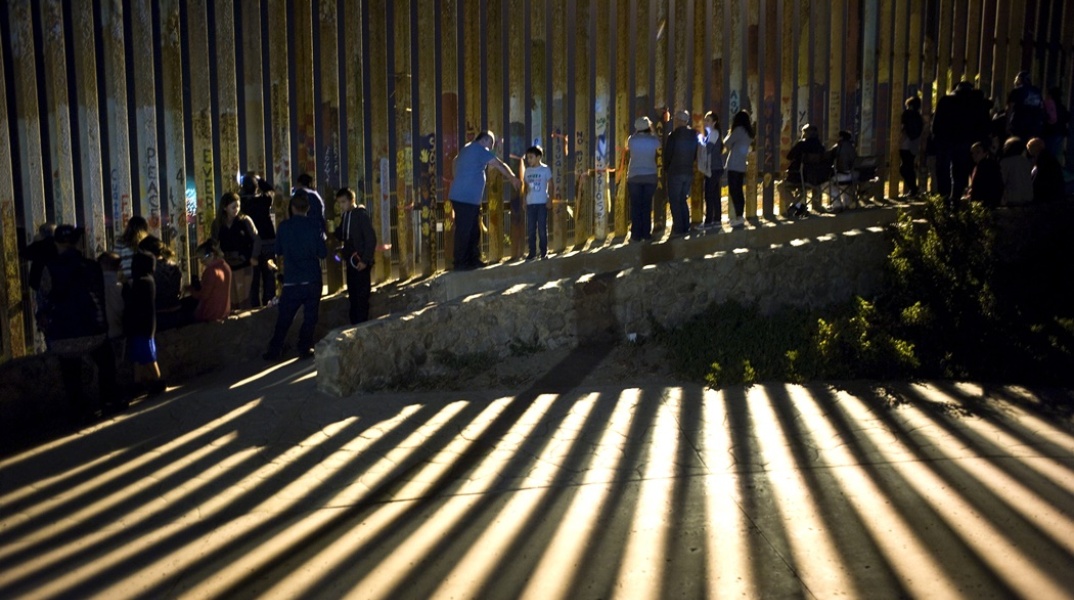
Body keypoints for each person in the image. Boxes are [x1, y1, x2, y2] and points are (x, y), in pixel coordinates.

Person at [38, 225, 122, 421]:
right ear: (77, 242)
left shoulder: (48, 268)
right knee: (106, 362)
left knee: (70, 371)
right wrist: (103, 327)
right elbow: (99, 298)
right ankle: (109, 401)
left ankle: (79, 410)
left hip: (62, 334)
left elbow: (43, 299)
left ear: (56, 243)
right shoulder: (91, 266)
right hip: (93, 332)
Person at [263, 192, 327, 361]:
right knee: (310, 316)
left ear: (292, 208)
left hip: (292, 280)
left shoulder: (284, 227)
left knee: (284, 317)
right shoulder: (314, 226)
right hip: (312, 278)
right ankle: (304, 347)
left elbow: (278, 251)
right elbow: (323, 252)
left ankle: (274, 349)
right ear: (308, 208)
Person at [447, 130, 522, 270]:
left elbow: (454, 161)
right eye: (491, 143)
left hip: (465, 198)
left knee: (473, 230)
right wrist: (513, 178)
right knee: (465, 230)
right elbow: (499, 164)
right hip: (465, 198)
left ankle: (472, 260)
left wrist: (458, 177)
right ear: (484, 140)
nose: (491, 147)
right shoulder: (479, 149)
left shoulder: (467, 148)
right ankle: (461, 262)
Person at [932, 81, 991, 204]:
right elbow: (983, 125)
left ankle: (944, 198)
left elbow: (936, 124)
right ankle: (956, 197)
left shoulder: (945, 101)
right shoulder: (976, 103)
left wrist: (938, 138)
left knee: (944, 170)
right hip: (966, 141)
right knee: (960, 171)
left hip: (946, 141)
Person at [123, 252, 165, 396]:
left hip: (141, 324)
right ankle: (138, 382)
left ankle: (157, 381)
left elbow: (133, 302)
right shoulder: (149, 280)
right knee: (141, 355)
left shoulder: (141, 282)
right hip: (147, 323)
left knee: (147, 356)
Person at [211, 192, 261, 311]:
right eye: (233, 207)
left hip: (244, 263)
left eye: (238, 206)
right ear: (224, 207)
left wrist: (253, 256)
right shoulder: (218, 224)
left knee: (244, 297)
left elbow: (256, 239)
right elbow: (214, 243)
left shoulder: (244, 221)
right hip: (227, 264)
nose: (236, 210)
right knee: (231, 298)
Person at [334, 186, 377, 325]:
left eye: (344, 202)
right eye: (339, 202)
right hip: (351, 262)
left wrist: (365, 260)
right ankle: (355, 322)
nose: (341, 205)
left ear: (352, 200)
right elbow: (342, 234)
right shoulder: (345, 216)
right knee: (353, 294)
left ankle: (362, 323)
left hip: (361, 262)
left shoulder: (361, 215)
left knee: (362, 296)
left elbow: (371, 239)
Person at [241, 172, 279, 307]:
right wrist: (259, 179)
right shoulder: (264, 200)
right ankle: (269, 301)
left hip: (251, 246)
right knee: (269, 274)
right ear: (256, 187)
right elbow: (270, 190)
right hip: (268, 241)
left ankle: (254, 304)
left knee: (254, 277)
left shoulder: (242, 203)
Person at [777, 123, 828, 215]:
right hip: (815, 179)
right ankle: (801, 206)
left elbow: (789, 156)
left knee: (780, 187)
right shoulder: (821, 147)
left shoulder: (801, 145)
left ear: (805, 134)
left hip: (798, 177)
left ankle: (798, 205)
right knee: (802, 190)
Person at [626, 116, 661, 242]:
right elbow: (659, 143)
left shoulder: (632, 140)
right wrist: (652, 129)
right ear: (648, 127)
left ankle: (635, 234)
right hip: (650, 176)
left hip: (634, 176)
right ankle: (646, 233)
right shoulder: (652, 140)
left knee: (635, 206)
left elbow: (629, 144)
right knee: (646, 206)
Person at [663, 109, 697, 235]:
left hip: (675, 171)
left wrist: (666, 168)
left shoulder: (673, 136)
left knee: (674, 200)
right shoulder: (693, 134)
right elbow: (694, 153)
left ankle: (678, 227)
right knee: (683, 199)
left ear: (677, 121)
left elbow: (668, 155)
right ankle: (686, 225)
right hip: (688, 171)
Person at [184, 239, 232, 323]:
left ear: (211, 255)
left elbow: (204, 295)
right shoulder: (225, 266)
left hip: (211, 313)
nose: (202, 262)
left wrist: (191, 290)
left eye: (203, 258)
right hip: (224, 310)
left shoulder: (211, 271)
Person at [522, 145, 553, 259]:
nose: (529, 160)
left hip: (541, 203)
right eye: (528, 158)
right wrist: (524, 200)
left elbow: (551, 185)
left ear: (539, 157)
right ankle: (532, 252)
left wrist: (550, 199)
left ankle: (544, 251)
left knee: (541, 228)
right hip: (530, 203)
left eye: (531, 157)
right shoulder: (528, 171)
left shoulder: (545, 169)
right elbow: (525, 186)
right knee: (530, 229)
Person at [723, 110, 754, 227]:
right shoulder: (748, 133)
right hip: (741, 164)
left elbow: (727, 142)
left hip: (734, 164)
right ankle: (740, 215)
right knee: (739, 190)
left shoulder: (738, 130)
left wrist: (729, 134)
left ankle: (739, 215)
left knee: (733, 190)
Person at [700, 111, 725, 229]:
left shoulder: (713, 133)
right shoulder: (713, 134)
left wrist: (700, 141)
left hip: (713, 168)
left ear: (714, 122)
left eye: (708, 120)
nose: (705, 122)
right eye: (705, 120)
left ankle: (709, 221)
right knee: (714, 194)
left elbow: (708, 149)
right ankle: (717, 219)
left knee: (709, 194)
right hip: (716, 167)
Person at [1007, 71, 1045, 141]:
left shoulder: (1016, 91)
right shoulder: (1037, 92)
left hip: (1019, 124)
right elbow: (1041, 107)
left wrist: (1007, 124)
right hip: (1034, 125)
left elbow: (1010, 108)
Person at [1026, 137, 1065, 203]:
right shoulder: (1050, 158)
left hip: (1046, 195)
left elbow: (1038, 179)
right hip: (1054, 194)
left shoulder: (1042, 161)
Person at [290, 173, 327, 240]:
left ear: (299, 184)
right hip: (318, 231)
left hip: (302, 233)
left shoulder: (300, 194)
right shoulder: (317, 195)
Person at [899, 96, 925, 197]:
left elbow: (903, 128)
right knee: (909, 167)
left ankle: (913, 188)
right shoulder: (918, 117)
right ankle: (913, 188)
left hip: (905, 144)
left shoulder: (906, 114)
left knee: (905, 168)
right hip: (914, 144)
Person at [965, 142, 1003, 208]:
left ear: (985, 153)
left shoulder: (987, 166)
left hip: (985, 203)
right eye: (973, 153)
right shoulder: (979, 166)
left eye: (978, 152)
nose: (974, 155)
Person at [828, 130, 858, 211]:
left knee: (828, 183)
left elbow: (828, 158)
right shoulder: (852, 147)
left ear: (841, 137)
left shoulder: (838, 146)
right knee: (845, 187)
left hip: (842, 175)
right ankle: (847, 203)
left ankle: (837, 204)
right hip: (854, 176)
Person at [999, 137, 1033, 206]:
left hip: (1012, 199)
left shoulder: (1005, 162)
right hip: (1027, 198)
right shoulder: (1027, 162)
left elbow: (1001, 181)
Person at [1043, 87, 1069, 161]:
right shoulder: (1061, 106)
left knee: (1048, 152)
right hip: (1059, 132)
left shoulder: (1048, 105)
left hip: (1050, 132)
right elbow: (1067, 117)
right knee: (1055, 152)